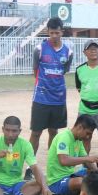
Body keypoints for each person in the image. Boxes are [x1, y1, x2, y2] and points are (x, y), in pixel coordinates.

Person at [29, 17, 72, 180]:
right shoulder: (39, 49)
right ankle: (30, 167)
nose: (54, 35)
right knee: (36, 132)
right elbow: (35, 70)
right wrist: (43, 86)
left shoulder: (68, 51)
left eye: (57, 32)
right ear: (48, 32)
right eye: (51, 32)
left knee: (54, 131)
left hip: (59, 98)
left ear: (62, 32)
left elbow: (64, 70)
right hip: (41, 98)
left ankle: (51, 164)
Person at [46, 115, 98, 195]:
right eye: (88, 133)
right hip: (56, 182)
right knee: (81, 182)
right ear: (80, 127)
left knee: (95, 174)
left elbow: (87, 162)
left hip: (70, 176)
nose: (88, 137)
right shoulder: (64, 137)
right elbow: (64, 160)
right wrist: (87, 158)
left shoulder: (78, 140)